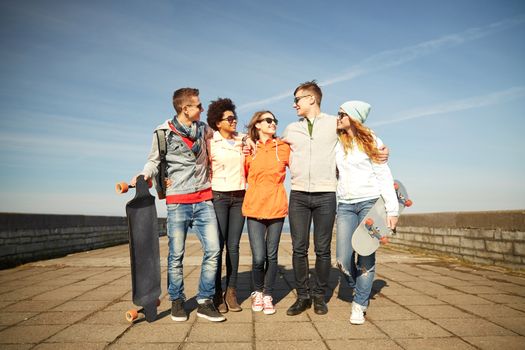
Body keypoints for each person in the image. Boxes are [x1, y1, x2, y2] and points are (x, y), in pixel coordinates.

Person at [282, 81, 389, 316]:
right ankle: (302, 296)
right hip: (299, 195)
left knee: (322, 249)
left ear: (311, 99)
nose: (294, 104)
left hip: (326, 195)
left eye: (297, 99)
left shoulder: (334, 124)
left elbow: (360, 134)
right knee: (299, 248)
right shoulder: (291, 129)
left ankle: (319, 296)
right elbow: (270, 146)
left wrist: (382, 148)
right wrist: (247, 142)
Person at [130, 87, 225, 322]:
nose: (202, 109)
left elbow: (224, 142)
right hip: (177, 201)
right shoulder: (163, 133)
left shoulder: (204, 129)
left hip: (204, 198)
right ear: (185, 109)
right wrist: (143, 176)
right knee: (176, 255)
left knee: (213, 250)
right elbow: (153, 161)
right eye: (199, 106)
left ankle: (204, 300)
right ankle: (177, 300)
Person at [335, 100, 398, 325]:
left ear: (353, 117)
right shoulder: (338, 142)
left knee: (366, 255)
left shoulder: (372, 141)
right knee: (342, 259)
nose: (338, 117)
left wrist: (392, 210)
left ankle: (359, 304)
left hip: (370, 203)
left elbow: (384, 175)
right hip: (345, 205)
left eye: (342, 113)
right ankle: (357, 286)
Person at [242, 111, 290, 315]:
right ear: (258, 125)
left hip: (277, 207)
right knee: (258, 257)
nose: (273, 123)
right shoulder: (248, 149)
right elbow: (242, 174)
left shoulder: (284, 147)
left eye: (275, 121)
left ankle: (268, 294)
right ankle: (257, 292)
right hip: (253, 207)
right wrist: (246, 139)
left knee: (272, 255)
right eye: (268, 120)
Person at [206, 98, 245, 313]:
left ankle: (231, 291)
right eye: (229, 118)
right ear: (218, 122)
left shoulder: (243, 140)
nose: (234, 121)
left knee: (234, 246)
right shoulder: (211, 143)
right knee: (217, 246)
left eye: (234, 117)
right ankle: (216, 293)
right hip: (219, 196)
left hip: (240, 196)